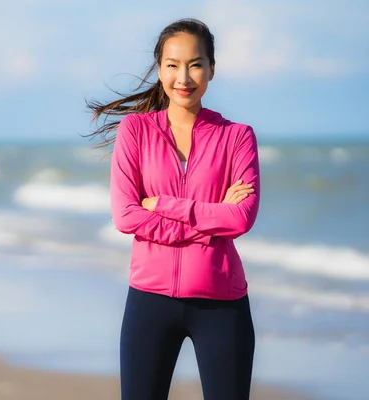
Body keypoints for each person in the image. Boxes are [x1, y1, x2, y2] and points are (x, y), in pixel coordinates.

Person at [86, 18, 261, 400]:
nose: (184, 76)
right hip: (149, 301)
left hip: (221, 303)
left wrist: (165, 205)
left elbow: (242, 217)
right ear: (160, 68)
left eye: (196, 64)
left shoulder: (237, 136)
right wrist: (211, 220)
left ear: (212, 69)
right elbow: (126, 216)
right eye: (173, 64)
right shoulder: (136, 131)